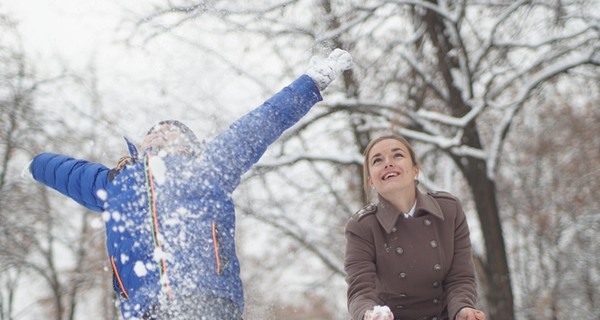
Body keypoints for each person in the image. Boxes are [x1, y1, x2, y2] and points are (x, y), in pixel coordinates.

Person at [29, 48, 353, 320]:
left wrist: (309, 84)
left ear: (189, 142)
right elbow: (66, 171)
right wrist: (31, 164)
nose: (158, 132)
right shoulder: (117, 181)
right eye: (152, 131)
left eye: (170, 129)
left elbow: (260, 124)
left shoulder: (208, 166)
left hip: (208, 298)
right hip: (144, 306)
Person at [344, 135, 486, 320]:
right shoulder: (361, 227)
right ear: (371, 180)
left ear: (415, 170)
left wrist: (463, 310)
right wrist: (370, 315)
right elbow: (360, 291)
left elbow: (460, 278)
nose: (388, 163)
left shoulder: (449, 210)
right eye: (377, 160)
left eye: (397, 155)